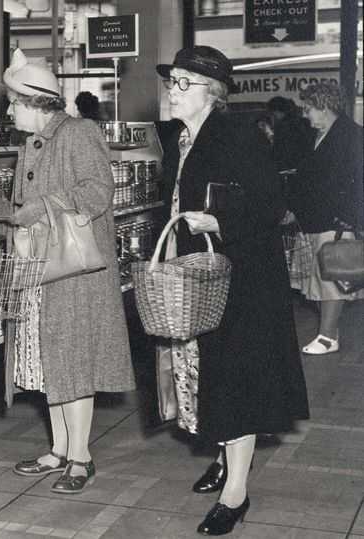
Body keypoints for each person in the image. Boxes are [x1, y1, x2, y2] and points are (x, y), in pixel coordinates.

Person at [0, 49, 135, 495]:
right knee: (48, 362)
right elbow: (20, 216)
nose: (9, 111)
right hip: (41, 270)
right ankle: (59, 449)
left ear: (35, 102)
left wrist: (44, 207)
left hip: (74, 273)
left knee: (72, 362)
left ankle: (81, 457)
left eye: (13, 103)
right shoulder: (31, 144)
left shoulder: (78, 132)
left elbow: (98, 191)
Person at [155, 46, 309, 535]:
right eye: (172, 81)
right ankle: (225, 460)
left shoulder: (237, 134)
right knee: (212, 376)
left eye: (184, 83)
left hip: (244, 280)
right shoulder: (181, 138)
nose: (172, 90)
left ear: (214, 93)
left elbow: (271, 204)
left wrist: (217, 221)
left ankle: (235, 494)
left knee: (236, 381)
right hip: (203, 278)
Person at [288, 82, 364, 355]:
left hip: (335, 221)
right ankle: (330, 332)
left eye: (308, 109)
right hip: (317, 218)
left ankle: (328, 336)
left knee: (331, 278)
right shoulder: (322, 134)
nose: (305, 115)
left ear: (324, 106)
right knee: (321, 279)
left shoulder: (352, 136)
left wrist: (349, 219)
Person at [266, 96, 313, 172]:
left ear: (276, 112)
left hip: (288, 167)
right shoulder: (301, 121)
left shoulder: (281, 126)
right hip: (303, 165)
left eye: (272, 114)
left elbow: (278, 152)